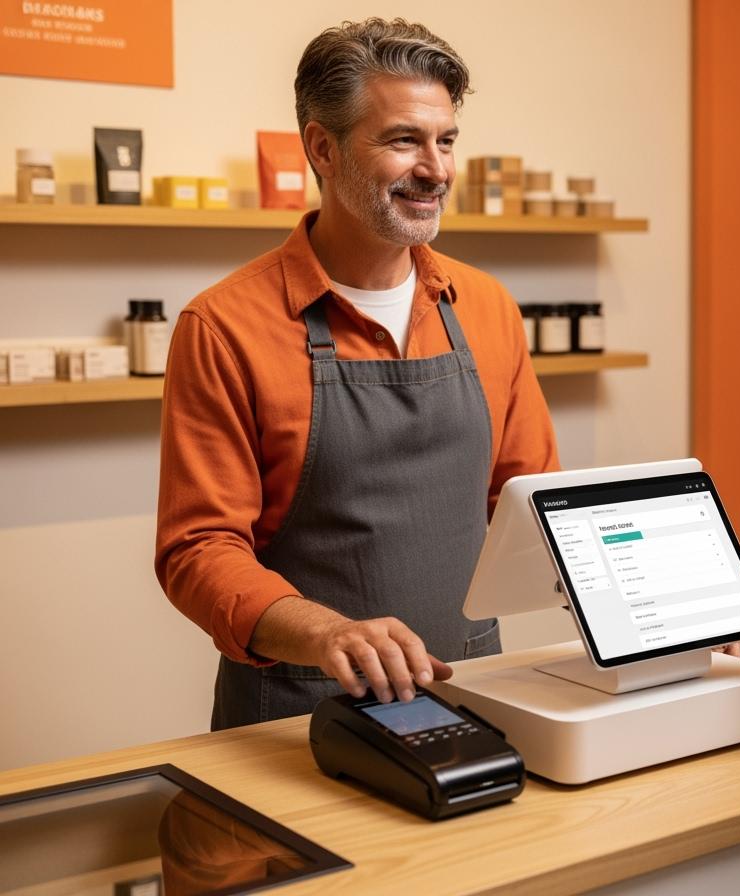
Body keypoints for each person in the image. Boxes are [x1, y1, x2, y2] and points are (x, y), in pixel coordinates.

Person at [155, 18, 558, 730]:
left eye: (446, 140)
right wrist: (327, 634)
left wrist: (660, 624)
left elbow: (536, 505)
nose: (435, 169)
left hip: (472, 690)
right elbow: (198, 550)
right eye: (404, 140)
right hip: (298, 716)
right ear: (323, 148)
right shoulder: (223, 327)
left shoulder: (486, 306)